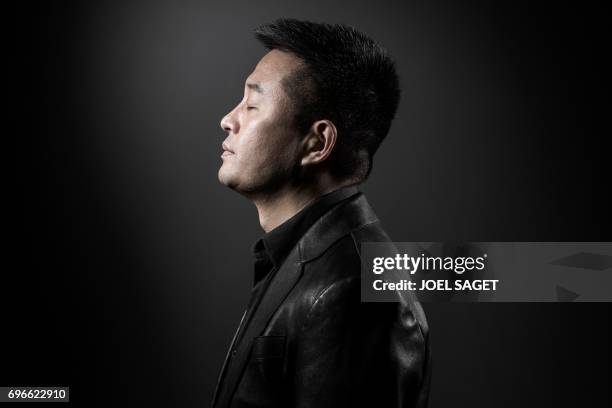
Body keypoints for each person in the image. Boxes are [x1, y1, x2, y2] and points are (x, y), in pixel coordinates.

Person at [213, 18, 430, 408]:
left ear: (317, 143)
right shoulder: (304, 259)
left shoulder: (351, 289)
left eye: (253, 104)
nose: (228, 120)